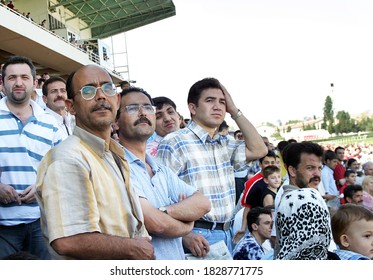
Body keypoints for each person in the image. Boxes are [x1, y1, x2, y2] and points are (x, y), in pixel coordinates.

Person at [35, 64, 154, 260]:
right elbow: (68, 240)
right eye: (88, 91)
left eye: (108, 88)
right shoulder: (68, 158)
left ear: (116, 100)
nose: (101, 96)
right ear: (71, 106)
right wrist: (133, 248)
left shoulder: (114, 153)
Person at [156, 77, 267, 257]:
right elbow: (158, 197)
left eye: (222, 102)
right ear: (192, 108)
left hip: (227, 233)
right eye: (210, 101)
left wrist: (234, 111)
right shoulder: (175, 142)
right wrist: (184, 235)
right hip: (196, 235)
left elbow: (259, 149)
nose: (218, 106)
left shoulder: (225, 143)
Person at [116, 86, 210, 259]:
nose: (142, 113)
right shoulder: (116, 165)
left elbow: (203, 203)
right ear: (115, 122)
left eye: (147, 108)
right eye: (132, 108)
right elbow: (156, 224)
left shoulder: (160, 168)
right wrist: (187, 222)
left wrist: (164, 211)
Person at [0, 56, 63, 259]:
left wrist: (41, 186)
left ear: (34, 84)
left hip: (42, 222)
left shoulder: (51, 123)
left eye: (24, 77)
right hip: (2, 226)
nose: (18, 82)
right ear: (2, 83)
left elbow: (63, 168)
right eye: (12, 77)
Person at [274, 141, 332, 260]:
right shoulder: (306, 196)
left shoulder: (286, 194)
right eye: (310, 168)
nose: (317, 174)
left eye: (319, 168)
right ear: (292, 171)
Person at [234, 151, 277, 243]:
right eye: (266, 163)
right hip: (253, 224)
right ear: (260, 164)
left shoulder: (275, 178)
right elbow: (246, 206)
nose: (270, 165)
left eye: (272, 162)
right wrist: (243, 228)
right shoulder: (253, 182)